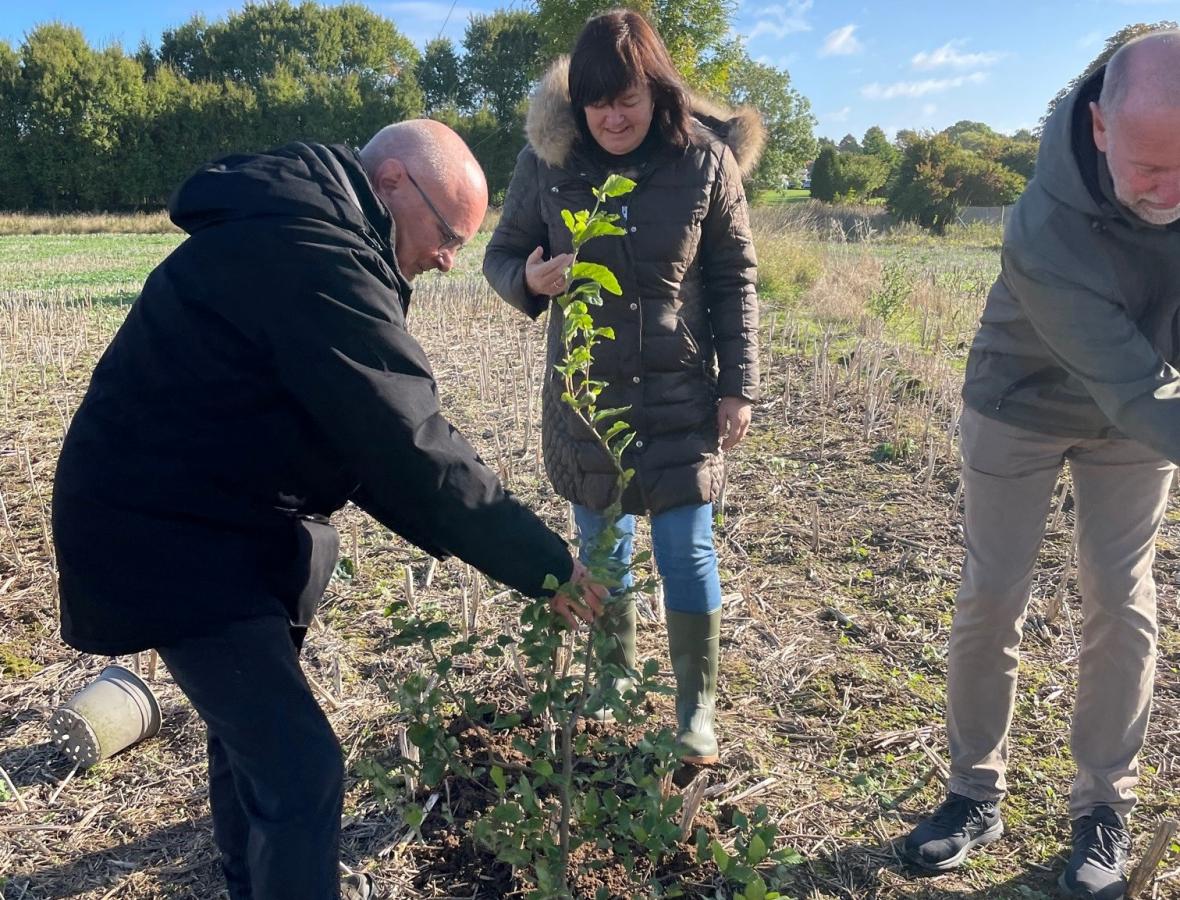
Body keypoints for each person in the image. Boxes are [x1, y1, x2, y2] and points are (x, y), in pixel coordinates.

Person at [52, 120, 604, 900]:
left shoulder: (313, 231)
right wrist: (546, 565)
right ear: (391, 184)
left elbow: (364, 447)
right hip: (164, 534)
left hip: (216, 523)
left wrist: (518, 556)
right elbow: (407, 445)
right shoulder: (313, 254)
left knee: (257, 748)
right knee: (301, 769)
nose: (450, 258)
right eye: (448, 233)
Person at [902, 32, 1180, 899]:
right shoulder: (1044, 227)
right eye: (1148, 169)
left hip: (1148, 402)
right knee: (993, 595)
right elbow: (1130, 384)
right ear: (1099, 129)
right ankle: (972, 791)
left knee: (1120, 599)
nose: (1169, 193)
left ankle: (1103, 803)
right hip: (1022, 400)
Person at [483, 10, 762, 766]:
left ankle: (694, 711)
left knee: (686, 549)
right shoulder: (548, 163)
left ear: (657, 91)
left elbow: (734, 276)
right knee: (601, 546)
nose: (612, 116)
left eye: (628, 99)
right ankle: (612, 681)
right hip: (587, 395)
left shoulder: (705, 162)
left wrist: (738, 384)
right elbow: (501, 253)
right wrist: (528, 281)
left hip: (680, 395)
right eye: (597, 103)